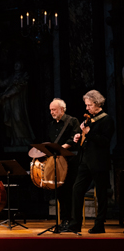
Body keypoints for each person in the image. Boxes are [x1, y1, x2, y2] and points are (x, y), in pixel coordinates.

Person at [64, 90, 115, 234]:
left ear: (97, 104)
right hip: (85, 161)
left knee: (101, 194)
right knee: (77, 189)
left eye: (89, 105)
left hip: (99, 162)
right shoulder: (89, 120)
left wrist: (88, 132)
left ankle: (99, 225)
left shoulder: (107, 120)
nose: (87, 108)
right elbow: (87, 139)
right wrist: (78, 138)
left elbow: (105, 141)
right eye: (86, 105)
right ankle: (75, 224)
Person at [45, 98, 80, 227]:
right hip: (57, 162)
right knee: (59, 190)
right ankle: (63, 219)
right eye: (50, 110)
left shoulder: (72, 121)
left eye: (54, 110)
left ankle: (72, 220)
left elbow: (74, 138)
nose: (51, 112)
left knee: (69, 190)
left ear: (62, 109)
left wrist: (61, 148)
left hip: (70, 161)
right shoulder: (51, 125)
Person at [0, 61, 35, 147]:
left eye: (18, 64)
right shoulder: (12, 77)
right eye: (15, 64)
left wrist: (6, 95)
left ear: (22, 65)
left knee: (18, 118)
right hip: (10, 103)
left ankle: (24, 139)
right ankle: (16, 140)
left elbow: (18, 88)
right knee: (13, 120)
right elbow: (2, 84)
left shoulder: (23, 76)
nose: (16, 65)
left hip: (18, 102)